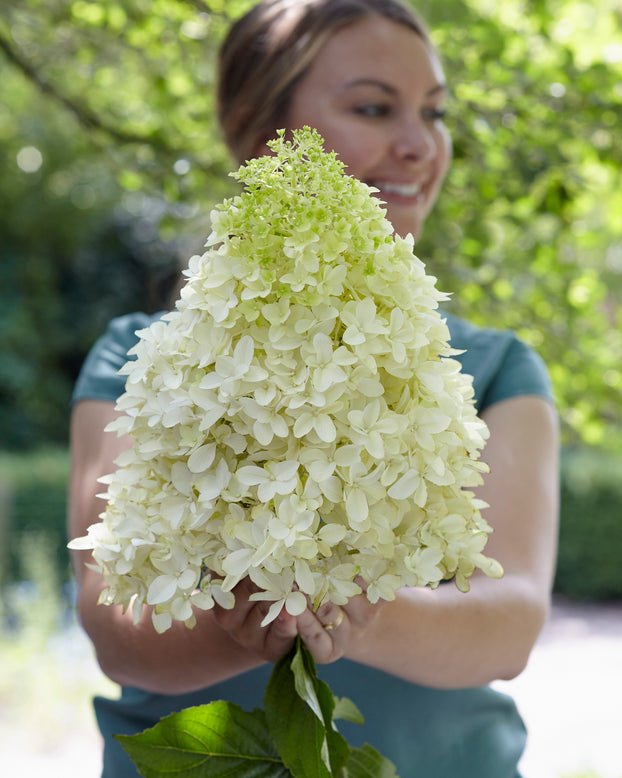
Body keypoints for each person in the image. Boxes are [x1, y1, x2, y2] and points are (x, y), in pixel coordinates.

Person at [68, 1, 559, 776]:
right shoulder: (142, 358)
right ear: (263, 130)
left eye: (435, 113)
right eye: (374, 108)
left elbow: (512, 623)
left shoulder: (494, 367)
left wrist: (346, 613)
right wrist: (247, 627)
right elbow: (113, 615)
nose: (420, 144)